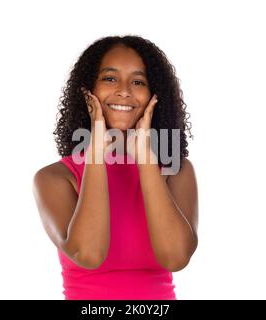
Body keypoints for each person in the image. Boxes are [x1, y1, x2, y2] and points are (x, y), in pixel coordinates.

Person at [32, 35, 198, 300]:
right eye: (110, 78)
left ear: (154, 95)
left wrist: (145, 158)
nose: (124, 90)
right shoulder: (55, 178)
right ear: (87, 91)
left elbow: (176, 257)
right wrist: (95, 154)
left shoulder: (175, 171)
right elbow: (88, 254)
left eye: (138, 81)